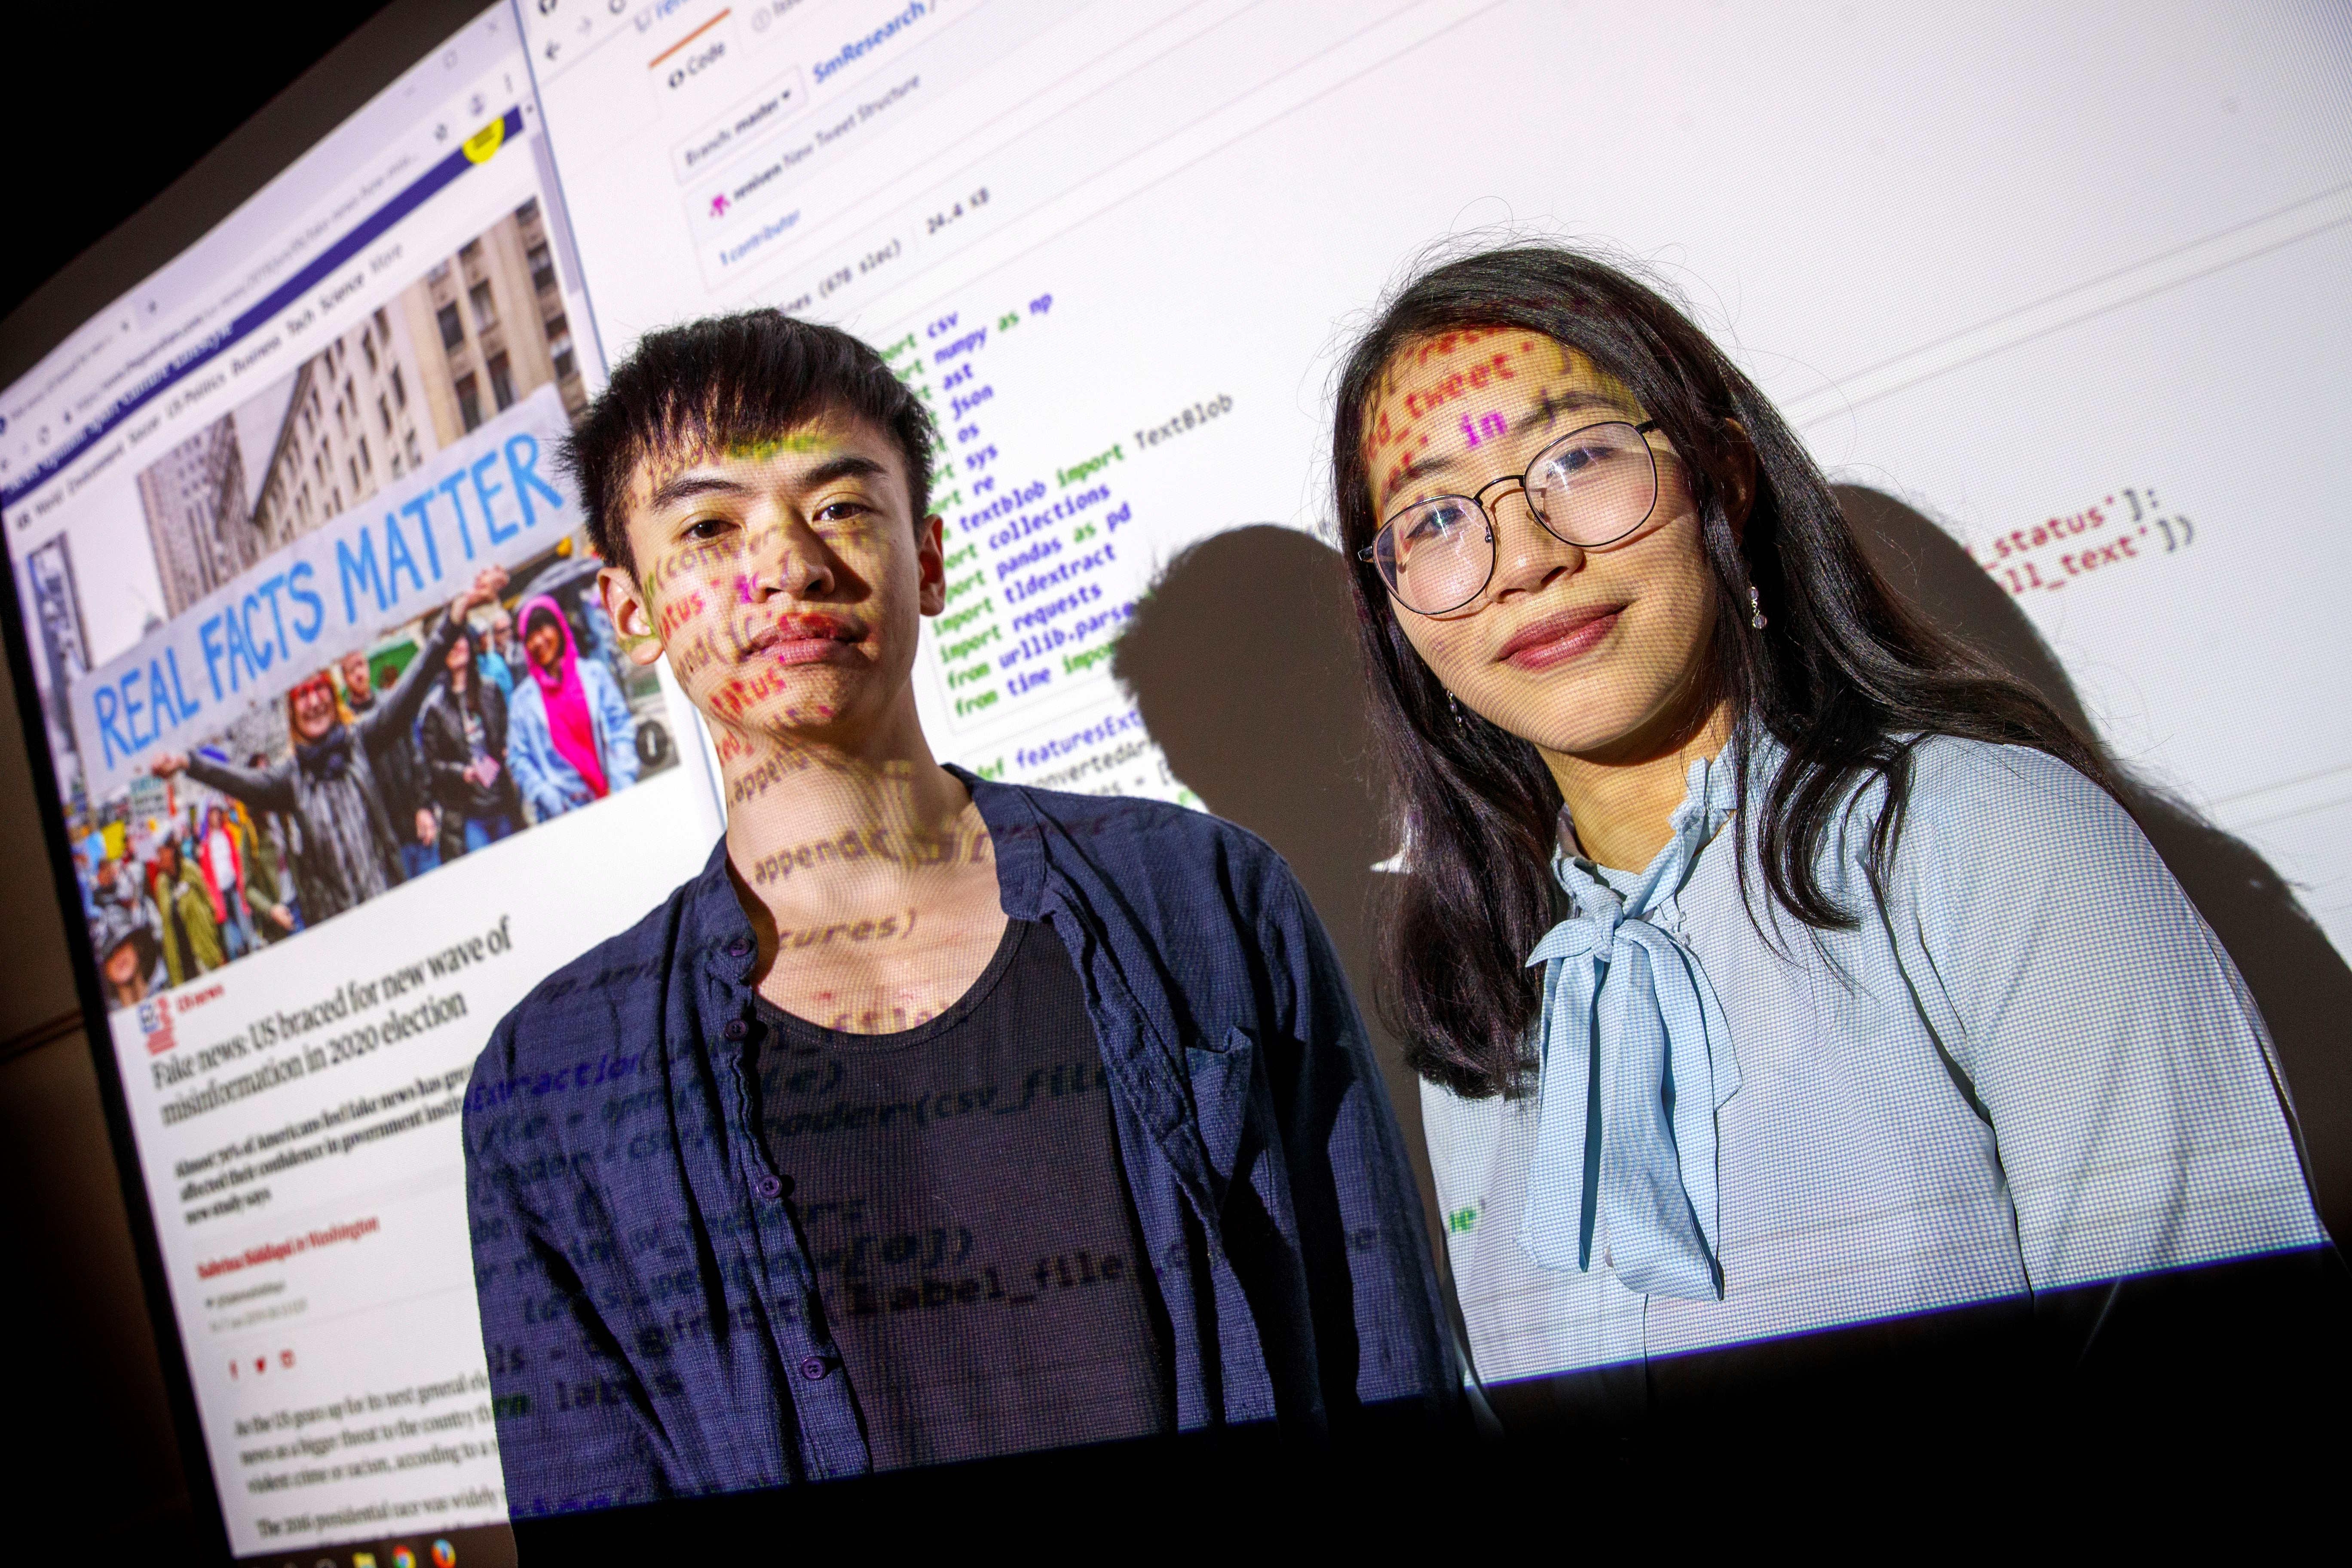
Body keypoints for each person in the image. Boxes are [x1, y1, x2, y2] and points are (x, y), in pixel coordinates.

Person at [1328, 245, 2330, 1449]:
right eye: (1436, 516)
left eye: (1580, 458)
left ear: (1725, 480)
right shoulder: (1484, 995)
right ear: (1395, 606)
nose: (1527, 558)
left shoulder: (1982, 837)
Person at [464, 310, 1452, 1514]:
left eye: (838, 506)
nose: (788, 565)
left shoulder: (1208, 901)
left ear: (926, 560)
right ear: (630, 612)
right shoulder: (552, 1088)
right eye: (711, 527)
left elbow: (1396, 1391)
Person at [149, 567, 509, 926]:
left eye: (319, 688)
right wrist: (189, 764)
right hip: (344, 937)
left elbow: (410, 690)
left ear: (333, 696)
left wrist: (454, 618)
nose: (313, 702)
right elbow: (243, 784)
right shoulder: (290, 780)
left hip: (397, 913)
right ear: (292, 714)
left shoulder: (360, 743)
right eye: (302, 695)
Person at [503, 593, 637, 821]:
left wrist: (622, 780)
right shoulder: (522, 702)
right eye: (530, 636)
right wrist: (552, 801)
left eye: (543, 628)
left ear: (559, 627)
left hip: (614, 797)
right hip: (564, 818)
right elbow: (518, 759)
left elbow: (620, 726)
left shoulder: (595, 674)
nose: (538, 642)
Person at [419, 623, 521, 857]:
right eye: (450, 643)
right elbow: (431, 765)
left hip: (503, 802)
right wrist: (461, 772)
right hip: (470, 814)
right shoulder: (434, 709)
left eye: (461, 639)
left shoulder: (490, 690)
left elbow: (507, 733)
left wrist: (507, 750)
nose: (456, 646)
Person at [342, 648, 439, 879]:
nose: (359, 674)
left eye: (361, 665)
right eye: (351, 670)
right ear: (345, 679)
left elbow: (417, 755)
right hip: (388, 839)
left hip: (417, 821)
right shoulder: (347, 728)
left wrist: (425, 806)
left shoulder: (391, 703)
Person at [148, 838, 224, 986]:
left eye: (161, 852)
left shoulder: (190, 869)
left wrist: (210, 934)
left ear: (171, 851)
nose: (158, 858)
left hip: (202, 950)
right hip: (181, 958)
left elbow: (208, 902)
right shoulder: (161, 884)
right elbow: (166, 922)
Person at [196, 803, 256, 960]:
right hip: (219, 891)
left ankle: (250, 945)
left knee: (242, 917)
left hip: (233, 884)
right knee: (228, 923)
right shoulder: (206, 843)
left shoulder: (227, 834)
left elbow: (236, 858)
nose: (216, 817)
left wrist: (240, 877)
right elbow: (206, 871)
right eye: (213, 814)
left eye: (218, 814)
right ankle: (238, 951)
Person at [93, 905, 165, 1009]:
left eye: (121, 944)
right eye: (109, 953)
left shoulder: (170, 993)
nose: (117, 955)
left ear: (138, 948)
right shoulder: (107, 1014)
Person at [478, 606, 517, 697]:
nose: (509, 633)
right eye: (503, 631)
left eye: (510, 628)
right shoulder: (488, 661)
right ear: (494, 635)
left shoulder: (519, 652)